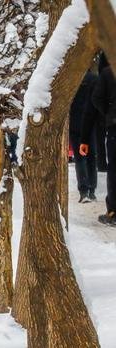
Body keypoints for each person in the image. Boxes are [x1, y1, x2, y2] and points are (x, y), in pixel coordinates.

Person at [81, 53, 116, 225]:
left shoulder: (108, 74)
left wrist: (109, 114)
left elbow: (96, 99)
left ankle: (113, 212)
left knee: (114, 170)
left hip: (114, 128)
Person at [70, 70, 99, 203]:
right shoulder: (95, 79)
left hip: (75, 123)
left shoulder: (71, 78)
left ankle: (84, 190)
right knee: (92, 157)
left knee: (80, 157)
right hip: (91, 123)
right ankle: (92, 190)